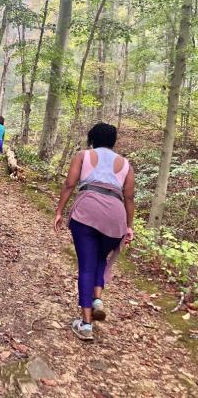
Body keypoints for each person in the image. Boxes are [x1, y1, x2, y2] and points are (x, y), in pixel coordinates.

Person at [53, 122, 135, 342]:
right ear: (113, 141)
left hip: (87, 211)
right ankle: (96, 299)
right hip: (116, 216)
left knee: (86, 266)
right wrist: (129, 226)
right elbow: (129, 198)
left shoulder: (83, 155)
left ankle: (86, 325)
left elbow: (70, 184)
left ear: (92, 139)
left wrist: (59, 211)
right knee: (100, 257)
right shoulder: (126, 164)